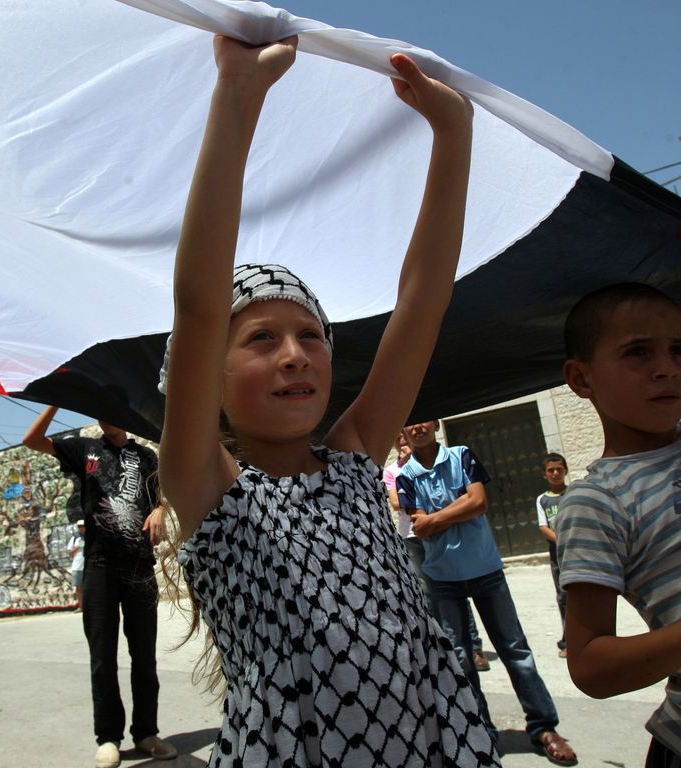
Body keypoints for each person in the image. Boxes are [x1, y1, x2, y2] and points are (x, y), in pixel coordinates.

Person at [158, 33, 499, 766]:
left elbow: (422, 301)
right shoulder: (208, 488)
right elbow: (196, 302)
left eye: (311, 336)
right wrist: (239, 97)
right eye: (259, 339)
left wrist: (453, 134)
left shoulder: (351, 459)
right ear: (206, 377)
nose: (294, 355)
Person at [396, 420, 577, 766]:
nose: (417, 428)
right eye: (410, 423)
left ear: (435, 424)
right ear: (403, 432)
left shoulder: (462, 456)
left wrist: (438, 518)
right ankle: (479, 729)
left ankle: (543, 727)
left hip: (485, 569)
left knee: (515, 649)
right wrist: (455, 508)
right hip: (442, 577)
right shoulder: (405, 475)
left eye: (424, 420)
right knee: (460, 658)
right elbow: (419, 525)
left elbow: (479, 502)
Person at [556, 282, 681, 766]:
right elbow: (591, 667)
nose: (667, 367)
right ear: (582, 379)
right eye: (638, 352)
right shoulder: (598, 501)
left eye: (677, 349)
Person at [23, 408, 176, 768]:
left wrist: (161, 510)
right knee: (102, 659)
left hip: (139, 566)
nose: (110, 417)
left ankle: (146, 733)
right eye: (102, 410)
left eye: (115, 409)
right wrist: (55, 402)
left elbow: (162, 495)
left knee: (144, 656)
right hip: (99, 565)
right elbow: (32, 441)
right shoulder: (84, 449)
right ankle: (108, 737)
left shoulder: (145, 456)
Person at [384, 431, 491, 671]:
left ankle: (474, 647)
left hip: (439, 531)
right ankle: (445, 644)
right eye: (398, 438)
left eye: (404, 437)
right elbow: (398, 503)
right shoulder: (393, 472)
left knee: (459, 587)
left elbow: (472, 499)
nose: (402, 441)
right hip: (413, 537)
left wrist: (434, 512)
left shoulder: (442, 460)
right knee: (432, 594)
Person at [535, 453, 569, 658]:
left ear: (565, 470)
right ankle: (569, 640)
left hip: (578, 553)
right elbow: (543, 526)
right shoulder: (542, 500)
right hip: (558, 556)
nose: (555, 473)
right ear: (544, 475)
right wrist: (562, 540)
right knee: (564, 597)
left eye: (559, 469)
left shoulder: (574, 492)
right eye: (551, 470)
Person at [68, 519, 86, 611]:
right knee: (78, 588)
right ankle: (81, 607)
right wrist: (78, 547)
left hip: (88, 566)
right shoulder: (75, 538)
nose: (81, 528)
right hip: (77, 566)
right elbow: (70, 553)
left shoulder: (91, 536)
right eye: (79, 526)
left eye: (83, 526)